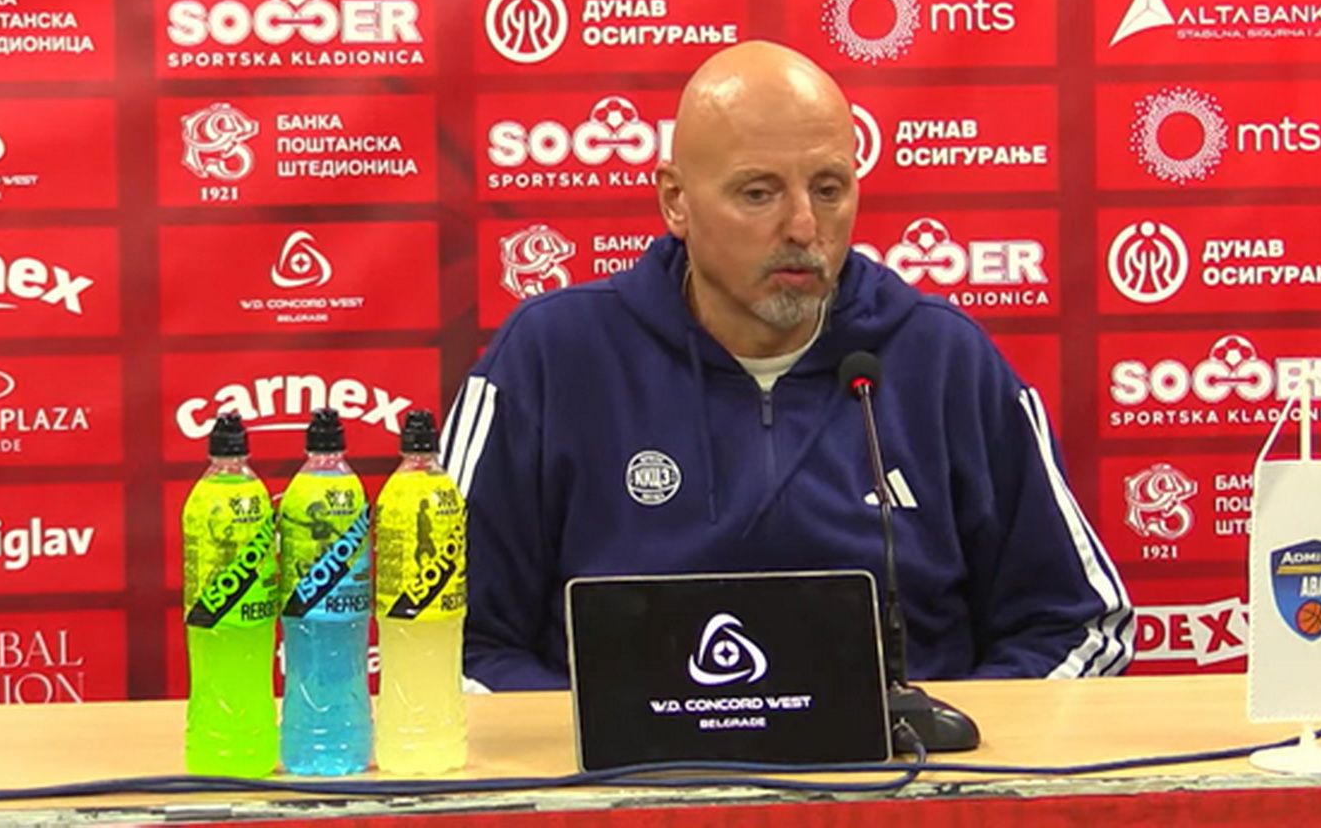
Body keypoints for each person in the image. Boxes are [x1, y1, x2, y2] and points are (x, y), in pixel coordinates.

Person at [447, 40, 1131, 690]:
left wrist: (958, 742)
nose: (805, 227)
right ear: (675, 201)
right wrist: (587, 747)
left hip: (902, 772)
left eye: (829, 189)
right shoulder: (551, 357)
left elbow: (1077, 627)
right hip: (627, 772)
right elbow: (445, 641)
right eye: (758, 193)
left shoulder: (943, 359)